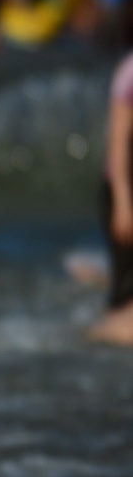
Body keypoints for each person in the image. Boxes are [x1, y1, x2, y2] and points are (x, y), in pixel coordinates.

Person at [93, 50, 133, 347]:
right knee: (123, 292)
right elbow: (117, 145)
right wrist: (123, 203)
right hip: (121, 188)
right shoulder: (129, 74)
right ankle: (95, 339)